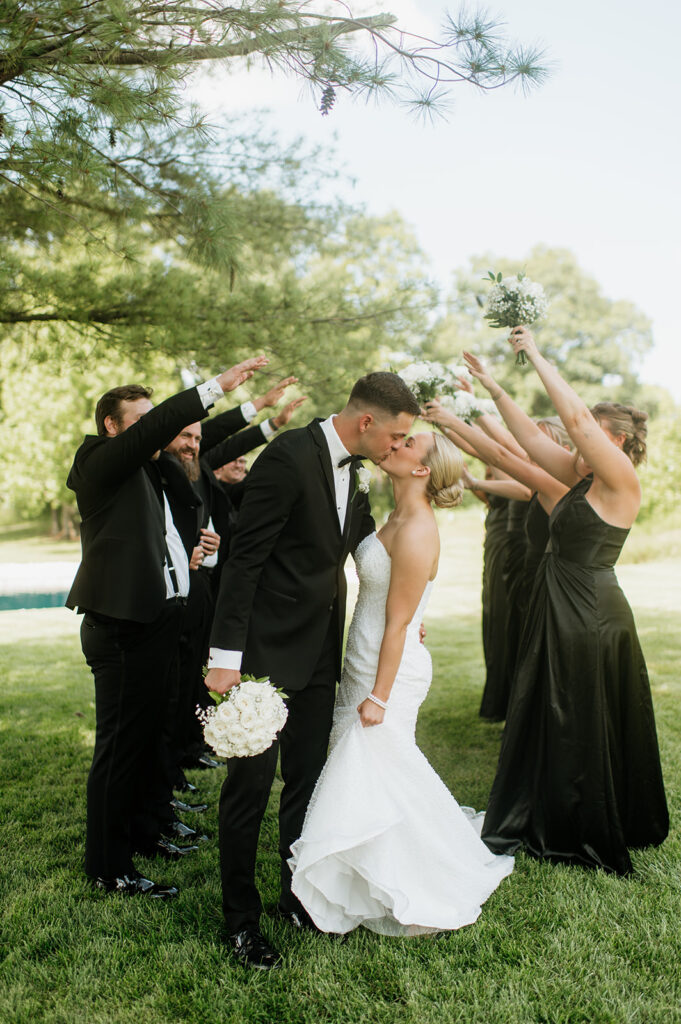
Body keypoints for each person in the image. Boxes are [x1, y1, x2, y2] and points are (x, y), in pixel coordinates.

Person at [204, 371, 421, 969]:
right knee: (248, 792)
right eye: (397, 436)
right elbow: (245, 560)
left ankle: (296, 897)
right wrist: (226, 659)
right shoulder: (289, 455)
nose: (399, 448)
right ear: (366, 421)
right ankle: (240, 922)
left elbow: (361, 542)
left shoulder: (355, 471)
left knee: (307, 784)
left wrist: (406, 606)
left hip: (321, 654)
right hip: (264, 656)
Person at [288, 431, 515, 935]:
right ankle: (366, 870)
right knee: (372, 771)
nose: (398, 441)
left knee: (368, 763)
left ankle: (384, 881)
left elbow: (398, 624)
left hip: (387, 670)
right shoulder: (393, 515)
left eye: (410, 441)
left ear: (421, 470)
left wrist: (379, 696)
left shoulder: (416, 530)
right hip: (366, 655)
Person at [467, 328, 669, 875]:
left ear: (619, 442)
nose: (580, 446)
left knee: (580, 714)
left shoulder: (619, 480)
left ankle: (590, 817)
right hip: (558, 604)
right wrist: (491, 387)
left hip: (592, 612)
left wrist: (533, 353)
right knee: (552, 712)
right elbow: (529, 444)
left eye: (594, 438)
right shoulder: (578, 477)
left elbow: (574, 420)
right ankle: (551, 807)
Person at [66, 356, 267, 899]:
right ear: (113, 424)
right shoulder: (98, 461)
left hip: (158, 623)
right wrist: (216, 388)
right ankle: (108, 866)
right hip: (121, 630)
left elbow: (197, 453)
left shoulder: (153, 473)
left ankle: (145, 832)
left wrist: (194, 558)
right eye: (141, 419)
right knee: (120, 749)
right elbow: (161, 430)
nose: (158, 429)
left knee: (150, 740)